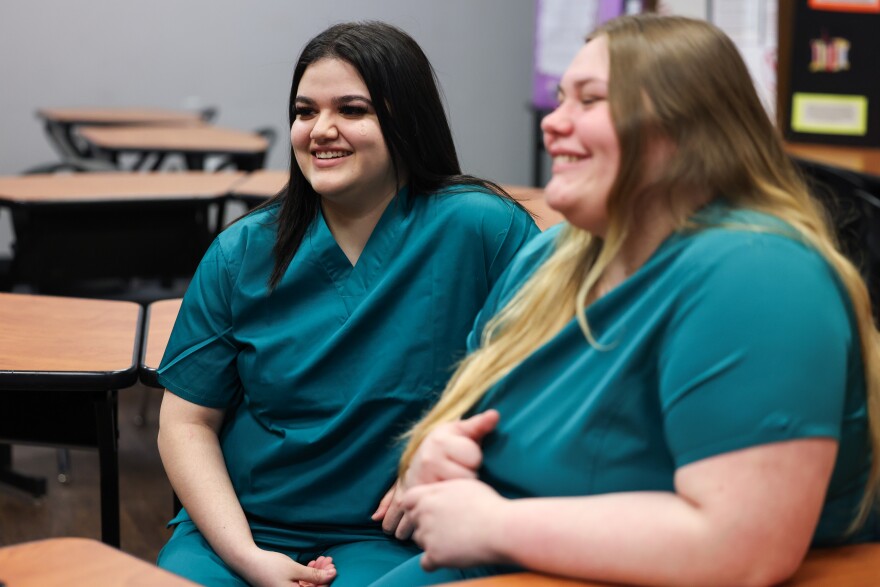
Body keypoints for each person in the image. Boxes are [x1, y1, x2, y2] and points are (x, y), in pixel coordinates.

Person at [370, 14, 880, 587]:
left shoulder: (759, 273)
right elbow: (464, 410)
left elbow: (745, 547)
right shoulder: (555, 255)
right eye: (560, 99)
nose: (553, 125)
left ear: (687, 130)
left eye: (590, 101)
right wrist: (433, 454)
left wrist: (496, 523)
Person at [155, 21, 538, 587]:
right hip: (248, 527)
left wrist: (447, 459)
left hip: (400, 530)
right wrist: (245, 556)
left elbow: (547, 379)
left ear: (406, 120)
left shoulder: (482, 229)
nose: (320, 130)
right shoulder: (242, 252)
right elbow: (186, 422)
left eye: (352, 110)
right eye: (305, 111)